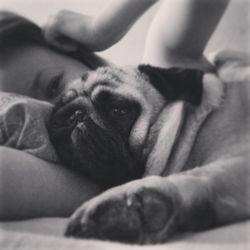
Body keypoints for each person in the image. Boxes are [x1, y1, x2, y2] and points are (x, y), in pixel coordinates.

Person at [0, 0, 229, 220]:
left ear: (86, 58)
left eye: (53, 86)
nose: (46, 113)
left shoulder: (162, 77)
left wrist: (102, 28)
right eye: (21, 117)